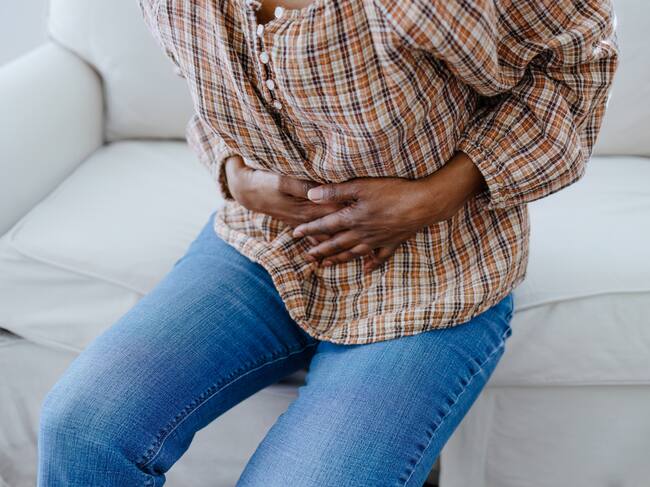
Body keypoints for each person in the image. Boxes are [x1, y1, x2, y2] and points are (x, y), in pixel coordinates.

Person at [37, 0, 619, 485]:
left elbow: (576, 62)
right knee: (82, 430)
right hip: (263, 247)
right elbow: (206, 90)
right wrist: (235, 175)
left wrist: (439, 194)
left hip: (439, 273)